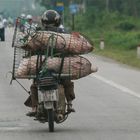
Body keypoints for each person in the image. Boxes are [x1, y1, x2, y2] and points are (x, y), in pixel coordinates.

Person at [25, 10, 75, 117]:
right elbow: (69, 47)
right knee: (67, 81)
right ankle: (70, 104)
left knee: (35, 83)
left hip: (42, 67)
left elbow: (32, 49)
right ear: (57, 21)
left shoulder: (39, 33)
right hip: (59, 66)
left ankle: (34, 107)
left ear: (44, 21)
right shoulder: (63, 32)